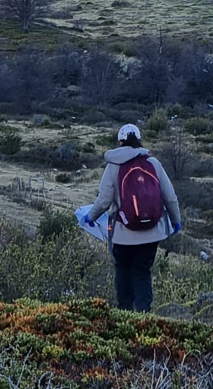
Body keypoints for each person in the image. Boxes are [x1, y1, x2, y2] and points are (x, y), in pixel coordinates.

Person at [85, 123, 181, 312]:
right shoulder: (153, 163)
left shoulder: (114, 165)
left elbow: (104, 200)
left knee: (123, 270)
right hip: (152, 232)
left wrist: (90, 217)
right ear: (139, 139)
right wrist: (175, 221)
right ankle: (144, 316)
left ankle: (124, 315)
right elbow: (170, 196)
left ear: (120, 141)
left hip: (123, 233)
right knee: (142, 273)